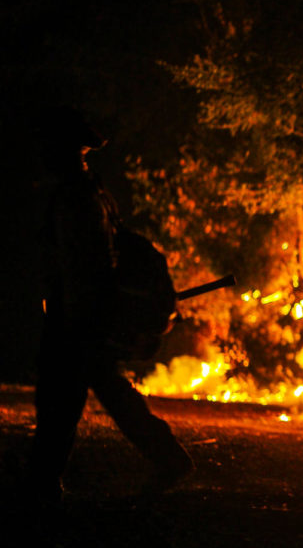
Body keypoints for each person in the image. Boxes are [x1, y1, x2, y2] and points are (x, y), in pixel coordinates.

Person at [26, 107, 193, 507]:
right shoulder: (92, 192)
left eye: (51, 146)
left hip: (78, 317)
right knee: (103, 390)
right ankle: (169, 459)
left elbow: (82, 267)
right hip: (87, 315)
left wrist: (79, 321)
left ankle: (41, 485)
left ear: (67, 151)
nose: (44, 153)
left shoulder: (77, 199)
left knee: (59, 401)